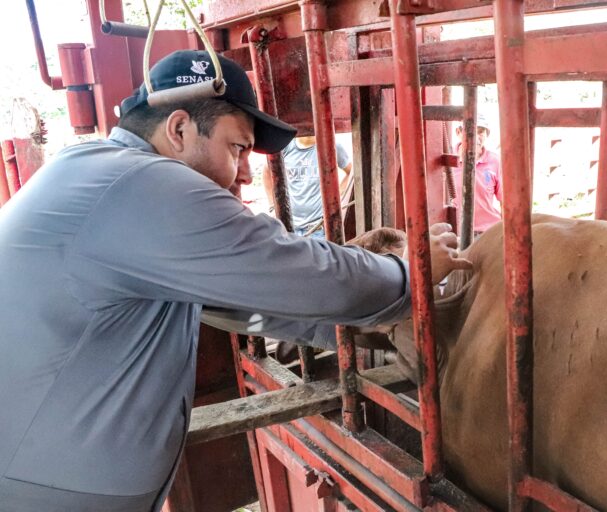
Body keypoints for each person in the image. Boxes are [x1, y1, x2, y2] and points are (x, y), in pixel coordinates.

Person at [0, 50, 470, 512]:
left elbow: (241, 305)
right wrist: (411, 274)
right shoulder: (142, 184)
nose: (244, 173)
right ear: (179, 128)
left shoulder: (96, 172)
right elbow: (289, 270)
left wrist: (368, 327)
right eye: (238, 148)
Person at [263, 135, 352, 238]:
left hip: (319, 228)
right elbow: (266, 171)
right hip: (290, 226)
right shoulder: (285, 146)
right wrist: (272, 206)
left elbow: (351, 172)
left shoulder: (332, 145)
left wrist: (338, 194)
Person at [453, 113, 502, 236]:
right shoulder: (446, 160)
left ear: (487, 135)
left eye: (480, 132)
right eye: (469, 131)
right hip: (454, 232)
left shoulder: (495, 161)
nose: (475, 137)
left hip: (487, 232)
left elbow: (506, 201)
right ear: (458, 132)